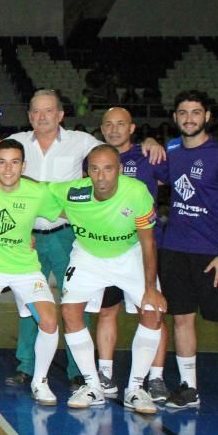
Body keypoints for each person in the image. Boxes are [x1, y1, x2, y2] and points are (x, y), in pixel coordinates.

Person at [3, 89, 163, 390]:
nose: (41, 117)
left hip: (67, 234)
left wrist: (147, 144)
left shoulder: (83, 142)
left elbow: (115, 150)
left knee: (77, 303)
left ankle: (81, 371)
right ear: (29, 116)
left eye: (48, 110)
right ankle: (27, 365)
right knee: (29, 301)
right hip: (26, 236)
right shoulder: (17, 143)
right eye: (36, 111)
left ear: (60, 115)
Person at [49, 145, 166, 413]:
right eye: (95, 169)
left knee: (152, 311)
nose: (101, 176)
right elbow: (37, 189)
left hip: (129, 255)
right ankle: (93, 385)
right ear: (87, 171)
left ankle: (136, 388)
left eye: (108, 169)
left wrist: (151, 288)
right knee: (69, 311)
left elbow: (148, 243)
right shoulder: (75, 191)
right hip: (88, 255)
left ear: (120, 170)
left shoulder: (136, 192)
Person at [154, 91, 218, 412]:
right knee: (182, 319)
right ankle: (189, 387)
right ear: (175, 118)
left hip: (213, 256)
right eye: (183, 112)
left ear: (207, 116)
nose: (189, 118)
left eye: (195, 112)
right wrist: (150, 143)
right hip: (174, 250)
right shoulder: (171, 151)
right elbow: (153, 167)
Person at [0, 139, 63, 405]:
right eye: (2, 162)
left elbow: (65, 210)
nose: (8, 169)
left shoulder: (36, 192)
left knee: (49, 321)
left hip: (25, 269)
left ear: (23, 165)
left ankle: (40, 381)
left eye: (14, 162)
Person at [92, 107, 169, 402]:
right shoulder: (94, 157)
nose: (114, 129)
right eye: (108, 124)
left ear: (132, 127)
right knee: (107, 310)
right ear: (101, 128)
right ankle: (106, 373)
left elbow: (180, 178)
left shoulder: (148, 155)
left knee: (151, 310)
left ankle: (156, 377)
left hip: (141, 248)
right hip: (108, 249)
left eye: (120, 124)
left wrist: (156, 143)